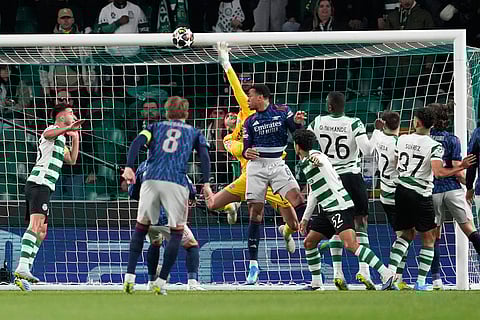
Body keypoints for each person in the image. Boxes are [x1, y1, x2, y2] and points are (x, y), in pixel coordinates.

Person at [204, 42, 298, 257]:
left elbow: (237, 88)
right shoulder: (230, 137)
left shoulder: (249, 112)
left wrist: (226, 63)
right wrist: (245, 149)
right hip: (251, 177)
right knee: (214, 204)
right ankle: (231, 207)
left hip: (273, 174)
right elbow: (236, 149)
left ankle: (286, 232)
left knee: (294, 224)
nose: (245, 100)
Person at [121, 96, 210, 295]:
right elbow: (204, 155)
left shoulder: (154, 128)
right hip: (175, 180)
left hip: (151, 178)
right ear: (187, 113)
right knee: (177, 233)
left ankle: (129, 277)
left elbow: (137, 142)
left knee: (141, 227)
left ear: (166, 112)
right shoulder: (194, 132)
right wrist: (206, 182)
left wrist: (128, 167)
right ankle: (161, 282)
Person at [294, 129, 395, 291]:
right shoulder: (306, 162)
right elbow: (314, 191)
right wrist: (305, 218)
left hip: (339, 206)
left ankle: (387, 274)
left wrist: (317, 161)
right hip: (327, 208)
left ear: (297, 146)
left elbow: (323, 163)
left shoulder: (317, 157)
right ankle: (316, 284)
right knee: (309, 242)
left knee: (350, 244)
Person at [386, 108, 474, 291]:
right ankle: (420, 282)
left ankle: (389, 274)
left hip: (401, 190)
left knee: (405, 235)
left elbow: (394, 162)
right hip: (420, 193)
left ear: (417, 122)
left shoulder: (402, 139)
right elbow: (439, 173)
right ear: (431, 125)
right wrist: (461, 167)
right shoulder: (434, 145)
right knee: (429, 238)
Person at [308, 91, 375, 290]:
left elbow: (307, 142)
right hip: (351, 177)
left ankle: (338, 273)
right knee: (360, 223)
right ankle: (364, 270)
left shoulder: (318, 122)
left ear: (329, 106)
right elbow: (367, 150)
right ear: (344, 106)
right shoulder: (354, 123)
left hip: (329, 179)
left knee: (335, 223)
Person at [14, 104, 84, 291]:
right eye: (71, 113)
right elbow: (47, 135)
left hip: (44, 187)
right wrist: (69, 129)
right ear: (61, 117)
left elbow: (72, 160)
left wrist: (75, 138)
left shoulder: (61, 140)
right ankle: (22, 266)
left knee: (42, 231)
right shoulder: (52, 129)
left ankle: (25, 268)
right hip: (39, 183)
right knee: (35, 226)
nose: (74, 115)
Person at [241, 84, 305, 284]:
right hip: (257, 167)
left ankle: (311, 240)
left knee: (297, 198)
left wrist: (298, 123)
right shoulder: (249, 121)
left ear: (261, 97)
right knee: (255, 213)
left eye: (250, 96)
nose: (248, 100)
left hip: (277, 164)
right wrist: (246, 152)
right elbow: (245, 148)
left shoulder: (282, 110)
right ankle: (253, 265)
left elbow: (295, 129)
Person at [128, 161, 204, 291]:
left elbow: (133, 193)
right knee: (192, 246)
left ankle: (151, 282)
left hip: (147, 218)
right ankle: (192, 283)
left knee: (155, 243)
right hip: (167, 216)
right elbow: (191, 190)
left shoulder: (142, 166)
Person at [428, 103, 480, 290]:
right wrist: (469, 185)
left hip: (431, 190)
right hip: (453, 189)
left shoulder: (424, 138)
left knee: (434, 236)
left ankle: (436, 280)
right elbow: (459, 170)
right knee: (470, 230)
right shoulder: (453, 139)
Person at [371, 111, 412, 290]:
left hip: (384, 193)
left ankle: (397, 280)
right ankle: (390, 273)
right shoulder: (400, 143)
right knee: (407, 235)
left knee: (401, 236)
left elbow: (377, 131)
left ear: (383, 123)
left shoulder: (378, 137)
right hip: (398, 195)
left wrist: (377, 127)